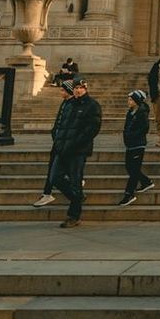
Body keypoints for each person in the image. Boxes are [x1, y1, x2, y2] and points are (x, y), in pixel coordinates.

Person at [49, 79, 100, 228]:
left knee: (75, 182)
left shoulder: (92, 105)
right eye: (76, 88)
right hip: (62, 149)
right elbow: (61, 125)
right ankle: (77, 198)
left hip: (78, 151)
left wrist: (75, 143)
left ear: (85, 88)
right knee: (55, 178)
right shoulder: (69, 104)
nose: (78, 90)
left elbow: (92, 129)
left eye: (81, 88)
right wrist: (58, 143)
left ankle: (74, 216)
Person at [33, 81, 78, 208]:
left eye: (63, 90)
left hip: (65, 142)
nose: (61, 92)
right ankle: (48, 192)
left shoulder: (73, 104)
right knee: (55, 167)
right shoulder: (65, 103)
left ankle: (49, 193)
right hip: (59, 141)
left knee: (55, 169)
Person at [117, 90, 155, 207]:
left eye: (131, 100)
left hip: (138, 144)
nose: (129, 102)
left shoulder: (142, 113)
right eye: (129, 99)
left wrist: (132, 136)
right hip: (130, 144)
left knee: (133, 170)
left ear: (137, 101)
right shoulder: (130, 112)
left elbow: (144, 128)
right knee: (130, 167)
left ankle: (129, 194)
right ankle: (146, 181)